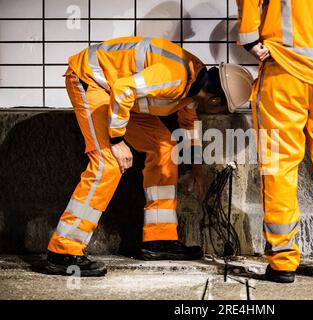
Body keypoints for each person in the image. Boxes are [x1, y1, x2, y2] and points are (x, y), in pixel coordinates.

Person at [46, 36, 253, 276]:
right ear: (215, 99)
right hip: (93, 82)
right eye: (222, 109)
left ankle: (159, 239)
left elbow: (188, 122)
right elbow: (124, 89)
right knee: (108, 164)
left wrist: (197, 166)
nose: (219, 113)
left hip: (119, 98)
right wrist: (116, 140)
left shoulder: (196, 84)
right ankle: (63, 250)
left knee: (164, 149)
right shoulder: (176, 77)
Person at [236, 0, 313, 283]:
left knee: (279, 163)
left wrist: (250, 42)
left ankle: (282, 261)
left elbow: (247, 8)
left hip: (285, 68)